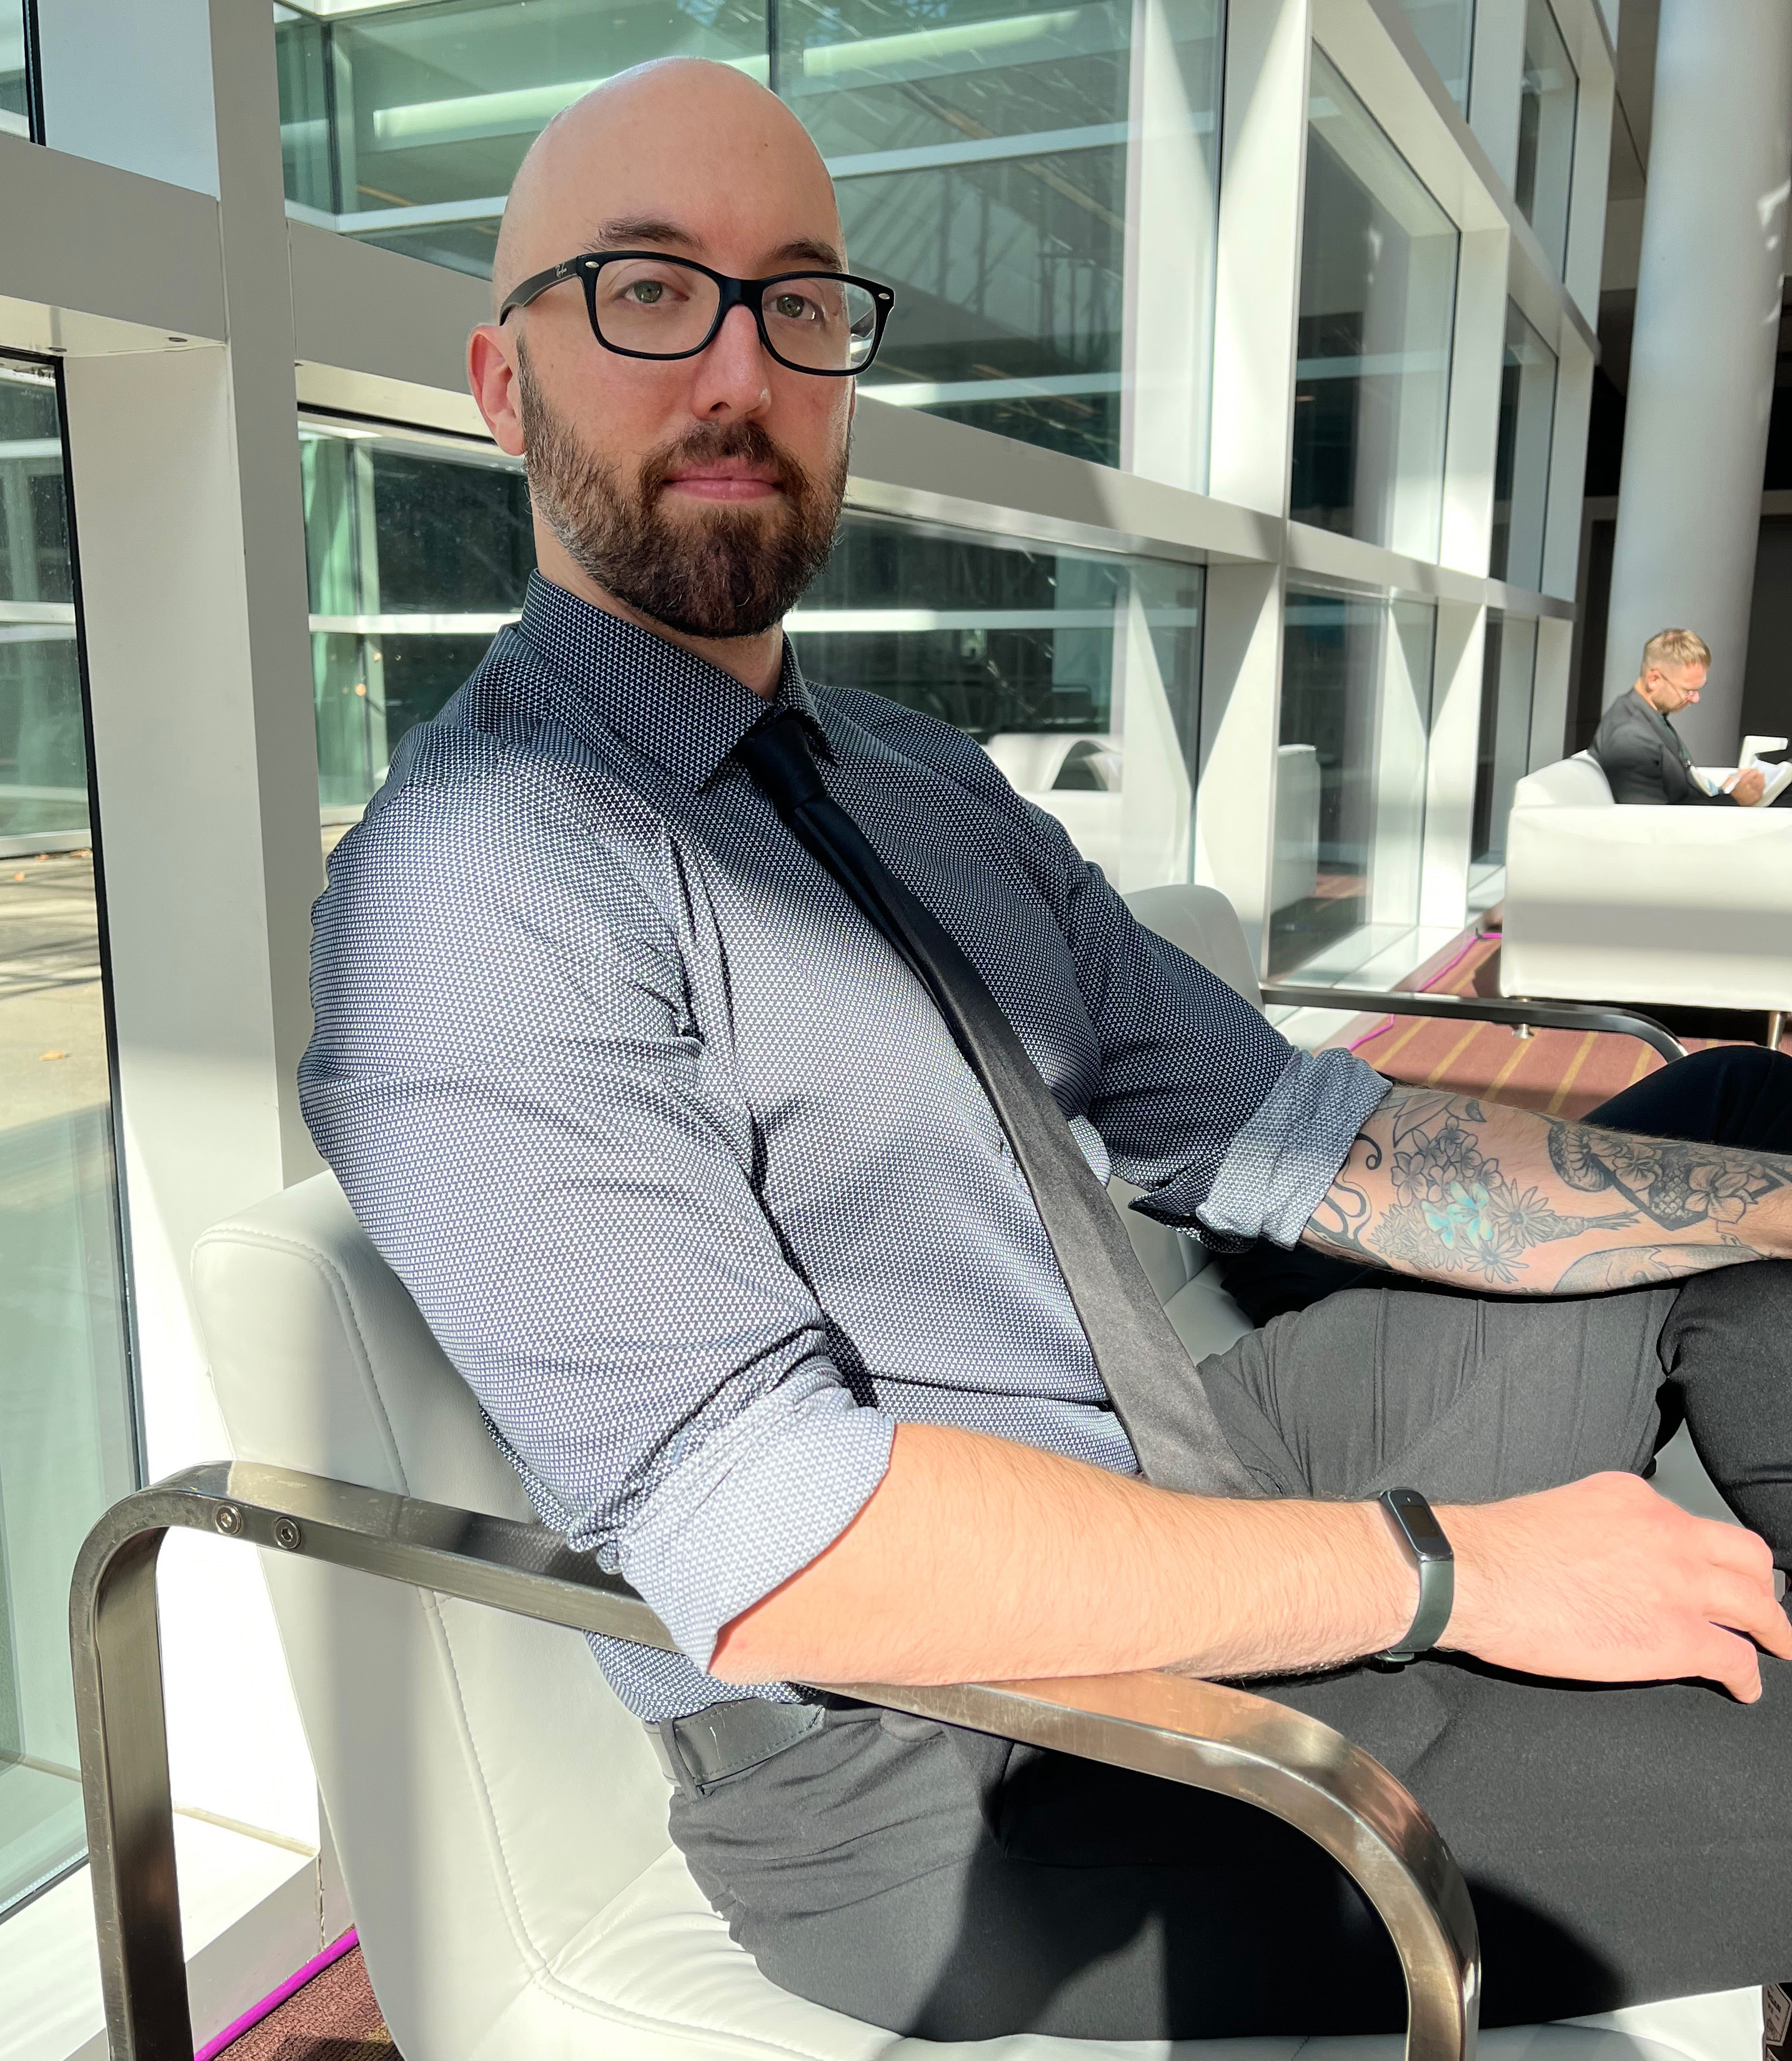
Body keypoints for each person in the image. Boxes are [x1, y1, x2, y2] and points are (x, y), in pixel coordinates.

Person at [299, 60, 1792, 2045]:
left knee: (1745, 1139)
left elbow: (1289, 1129)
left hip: (1177, 1454)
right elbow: (793, 1552)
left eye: (798, 302)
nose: (736, 368)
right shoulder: (479, 880)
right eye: (647, 292)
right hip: (940, 1764)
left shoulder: (915, 784)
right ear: (505, 384)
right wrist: (1456, 1572)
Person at [1591, 627, 1791, 807]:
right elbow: (1651, 826)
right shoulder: (1630, 738)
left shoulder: (1645, 716)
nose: (1695, 699)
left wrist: (1724, 791)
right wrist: (1735, 800)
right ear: (1654, 679)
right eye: (1688, 690)